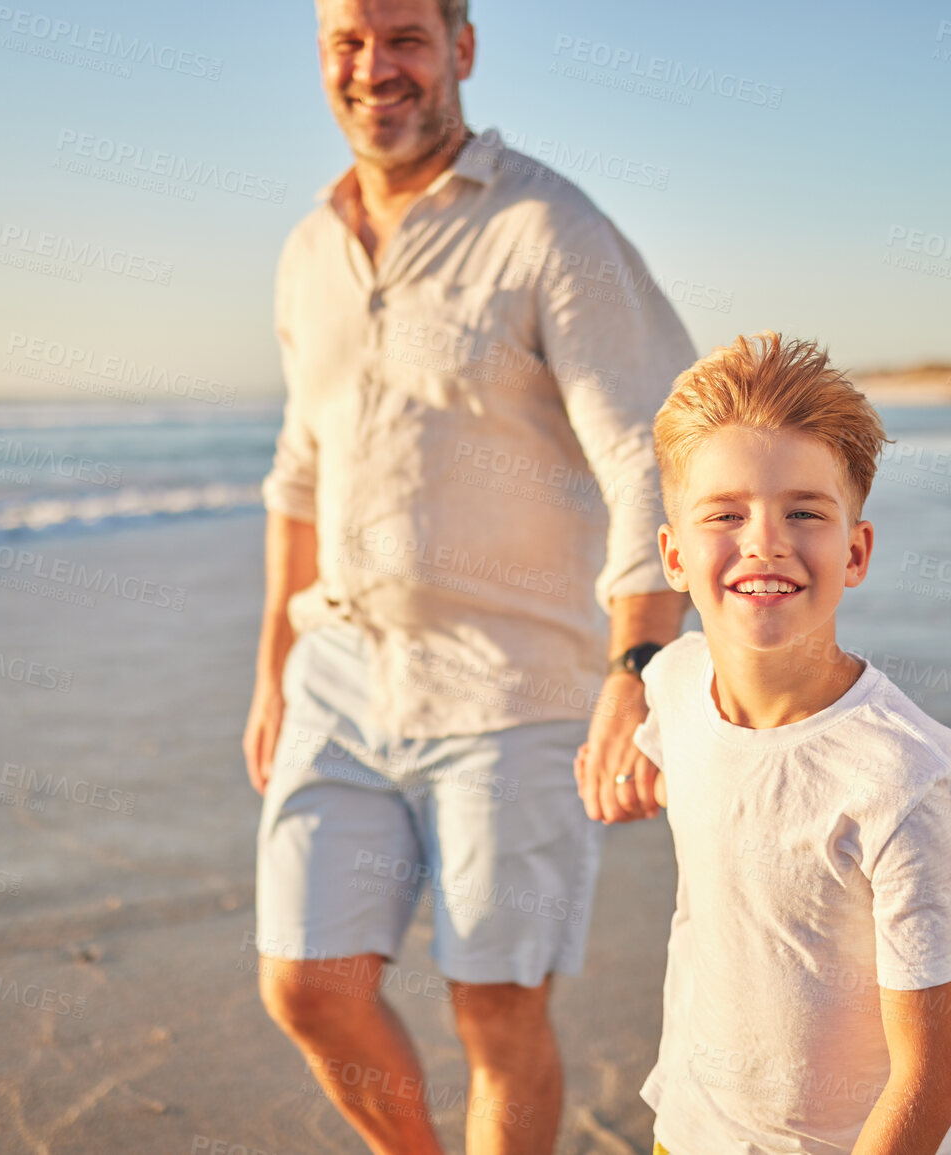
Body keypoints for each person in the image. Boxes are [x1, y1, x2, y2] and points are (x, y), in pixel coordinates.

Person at [241, 1, 696, 1151]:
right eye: (347, 41)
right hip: (339, 675)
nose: (373, 66)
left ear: (462, 49)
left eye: (403, 37)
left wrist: (636, 667)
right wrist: (272, 675)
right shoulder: (310, 248)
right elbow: (301, 474)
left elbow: (647, 452)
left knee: (495, 1008)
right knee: (307, 984)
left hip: (515, 687)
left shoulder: (550, 226)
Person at [626, 332, 951, 1154]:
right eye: (724, 514)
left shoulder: (907, 782)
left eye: (804, 511)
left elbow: (927, 1078)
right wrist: (619, 744)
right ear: (672, 556)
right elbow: (705, 773)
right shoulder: (671, 683)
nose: (764, 540)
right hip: (693, 1128)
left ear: (855, 550)